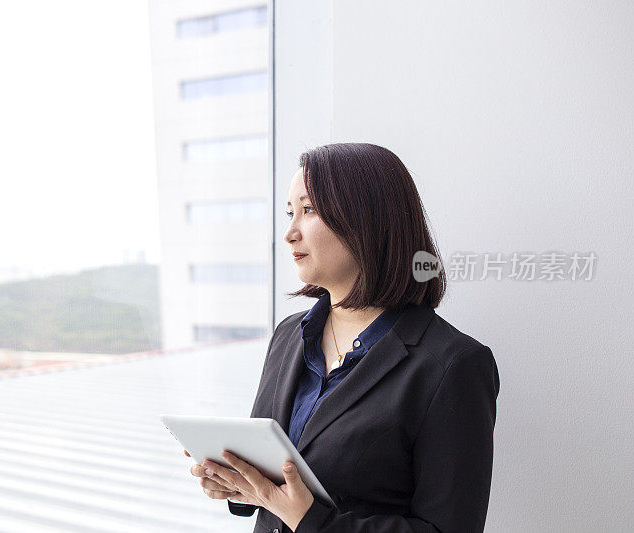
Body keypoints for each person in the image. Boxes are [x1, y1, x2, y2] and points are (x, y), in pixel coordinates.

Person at [186, 143, 501, 532]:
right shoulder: (289, 335)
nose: (289, 232)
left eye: (309, 210)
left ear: (367, 220)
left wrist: (312, 521)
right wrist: (236, 482)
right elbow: (273, 477)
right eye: (290, 212)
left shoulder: (453, 365)